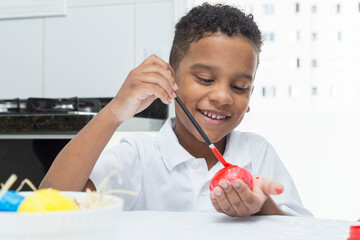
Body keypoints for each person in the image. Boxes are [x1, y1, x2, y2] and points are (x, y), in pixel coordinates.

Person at [40, 3, 312, 217]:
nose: (222, 96)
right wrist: (114, 113)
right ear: (171, 79)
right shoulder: (139, 156)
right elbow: (48, 202)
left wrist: (262, 208)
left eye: (240, 86)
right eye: (205, 79)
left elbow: (302, 231)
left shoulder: (257, 153)